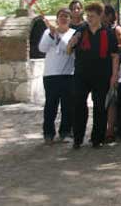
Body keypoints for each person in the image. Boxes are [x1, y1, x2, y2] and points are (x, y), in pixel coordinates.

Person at [67, 2, 119, 149]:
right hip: (81, 75)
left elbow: (115, 56)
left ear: (100, 16)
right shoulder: (80, 31)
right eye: (88, 16)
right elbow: (68, 51)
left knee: (99, 107)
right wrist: (71, 43)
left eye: (92, 16)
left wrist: (114, 75)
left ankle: (97, 139)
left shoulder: (108, 33)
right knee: (78, 105)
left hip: (102, 75)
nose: (89, 18)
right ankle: (78, 138)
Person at [38, 8, 76, 144]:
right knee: (50, 105)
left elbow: (70, 51)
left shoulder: (74, 34)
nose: (64, 18)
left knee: (67, 106)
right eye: (61, 16)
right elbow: (42, 48)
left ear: (70, 19)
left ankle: (65, 132)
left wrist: (58, 36)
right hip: (50, 75)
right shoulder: (47, 32)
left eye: (66, 16)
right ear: (57, 18)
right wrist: (51, 35)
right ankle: (48, 133)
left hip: (68, 75)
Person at [102, 5, 121, 143]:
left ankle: (110, 129)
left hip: (112, 67)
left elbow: (120, 46)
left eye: (103, 13)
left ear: (109, 15)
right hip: (99, 68)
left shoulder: (116, 29)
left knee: (111, 100)